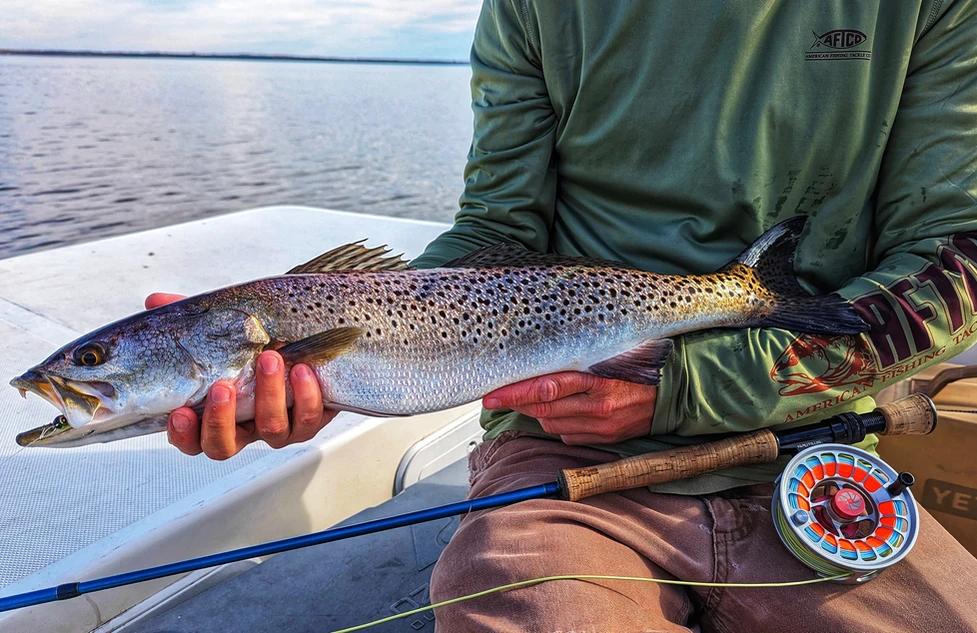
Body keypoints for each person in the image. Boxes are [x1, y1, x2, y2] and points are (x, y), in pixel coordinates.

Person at [151, 1, 977, 630]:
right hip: (559, 451)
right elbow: (496, 229)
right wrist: (357, 345)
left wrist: (683, 387)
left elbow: (957, 257)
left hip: (814, 450)